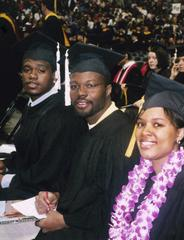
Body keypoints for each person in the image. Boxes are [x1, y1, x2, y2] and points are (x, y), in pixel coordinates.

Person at [34, 43, 139, 240]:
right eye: (74, 86)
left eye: (90, 85)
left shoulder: (121, 136)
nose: (80, 92)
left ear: (108, 90)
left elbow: (116, 206)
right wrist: (56, 195)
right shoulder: (86, 126)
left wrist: (66, 221)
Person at [109, 72, 184, 239]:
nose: (145, 131)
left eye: (158, 124)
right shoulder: (140, 179)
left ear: (180, 133)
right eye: (141, 123)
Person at [0, 31, 87, 200]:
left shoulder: (60, 115)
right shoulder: (34, 104)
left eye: (41, 70)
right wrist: (6, 164)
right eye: (27, 69)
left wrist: (5, 179)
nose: (32, 75)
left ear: (54, 76)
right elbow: (28, 154)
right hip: (29, 183)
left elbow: (47, 173)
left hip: (43, 194)